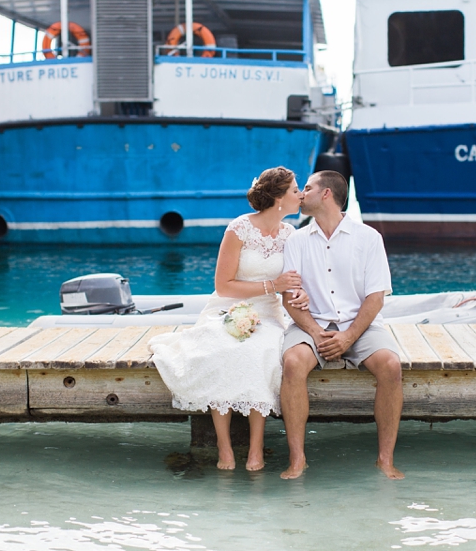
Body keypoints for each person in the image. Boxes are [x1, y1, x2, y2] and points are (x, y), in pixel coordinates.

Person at [149, 167, 309, 471]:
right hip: (227, 308)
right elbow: (223, 285)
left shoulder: (291, 235)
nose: (300, 195)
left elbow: (295, 283)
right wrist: (272, 286)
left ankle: (256, 449)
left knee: (261, 352)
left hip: (267, 314)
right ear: (278, 198)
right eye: (295, 190)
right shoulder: (239, 229)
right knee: (221, 349)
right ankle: (224, 449)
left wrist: (298, 296)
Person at [279, 170, 405, 480]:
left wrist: (348, 336)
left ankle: (384, 460)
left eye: (306, 188)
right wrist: (314, 331)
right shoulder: (295, 240)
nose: (300, 194)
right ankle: (297, 460)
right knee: (293, 362)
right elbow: (288, 298)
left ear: (326, 194)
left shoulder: (369, 238)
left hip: (359, 325)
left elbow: (376, 298)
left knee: (390, 365)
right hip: (313, 324)